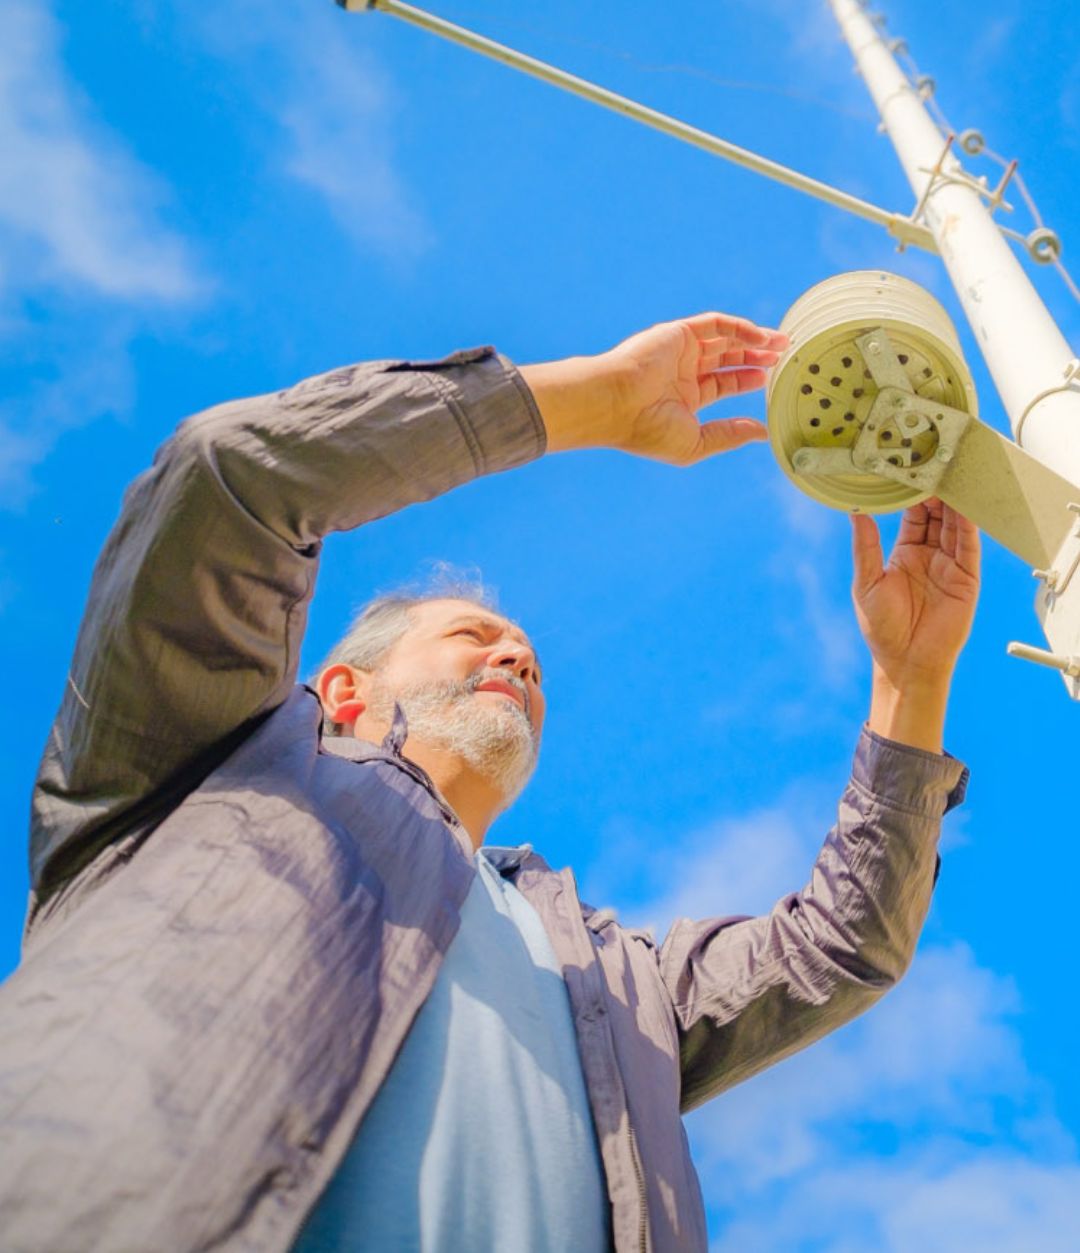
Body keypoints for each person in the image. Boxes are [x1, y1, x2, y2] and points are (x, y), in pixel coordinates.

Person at [0, 311, 978, 1253]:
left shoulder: (612, 977)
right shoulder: (209, 761)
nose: (517, 658)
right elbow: (228, 477)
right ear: (342, 688)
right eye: (474, 637)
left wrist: (912, 680)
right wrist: (599, 401)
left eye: (533, 663)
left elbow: (842, 948)